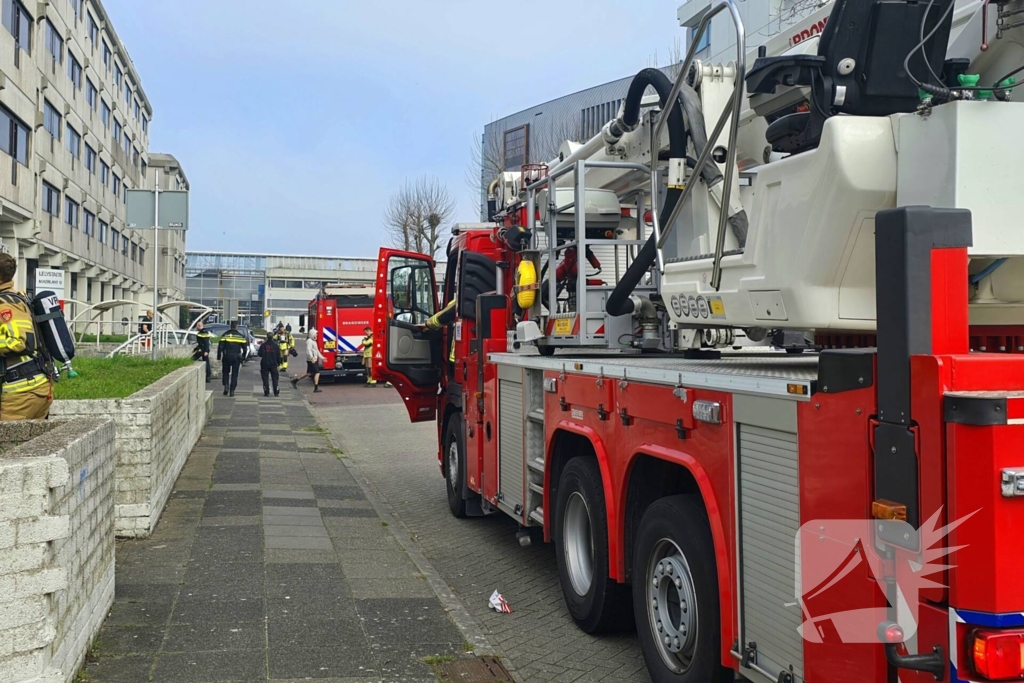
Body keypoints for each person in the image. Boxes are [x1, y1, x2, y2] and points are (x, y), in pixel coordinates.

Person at [0, 254, 52, 420]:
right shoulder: (17, 297)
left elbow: (18, 341)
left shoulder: (6, 304)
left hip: (21, 394)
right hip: (32, 388)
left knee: (8, 445)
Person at [216, 321, 247, 397]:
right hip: (236, 357)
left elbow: (220, 347)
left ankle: (226, 386)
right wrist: (243, 357)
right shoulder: (240, 336)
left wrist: (219, 357)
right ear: (237, 327)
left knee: (225, 372)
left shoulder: (225, 335)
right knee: (234, 374)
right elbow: (245, 349)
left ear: (230, 326)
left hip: (226, 356)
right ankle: (232, 390)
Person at [290, 328, 325, 393]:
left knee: (308, 373)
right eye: (316, 334)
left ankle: (294, 381)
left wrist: (322, 357)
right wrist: (312, 358)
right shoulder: (309, 341)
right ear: (312, 334)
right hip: (311, 360)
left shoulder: (314, 341)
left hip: (312, 360)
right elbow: (308, 351)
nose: (316, 335)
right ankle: (316, 388)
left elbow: (316, 351)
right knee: (317, 372)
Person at [257, 332, 281, 397]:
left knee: (265, 378)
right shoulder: (276, 346)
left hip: (264, 363)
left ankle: (266, 391)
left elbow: (259, 354)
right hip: (273, 363)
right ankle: (276, 391)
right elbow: (278, 355)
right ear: (272, 337)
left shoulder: (263, 345)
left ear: (267, 337)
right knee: (275, 378)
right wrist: (279, 363)